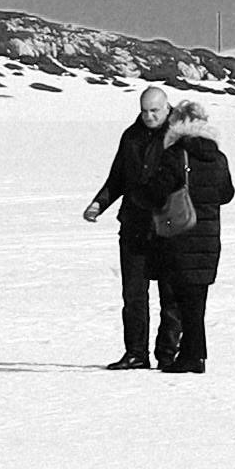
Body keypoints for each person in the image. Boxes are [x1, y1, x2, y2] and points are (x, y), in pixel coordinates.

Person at [81, 85, 183, 367]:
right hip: (134, 224)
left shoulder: (181, 135)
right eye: (144, 111)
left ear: (166, 107)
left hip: (169, 225)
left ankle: (168, 353)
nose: (149, 116)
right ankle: (136, 353)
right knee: (133, 294)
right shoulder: (132, 136)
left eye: (154, 111)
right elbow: (118, 177)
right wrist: (99, 204)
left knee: (171, 294)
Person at [145, 99, 235, 373]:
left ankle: (191, 357)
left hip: (181, 234)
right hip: (209, 236)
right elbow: (227, 194)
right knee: (198, 300)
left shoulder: (175, 154)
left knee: (184, 301)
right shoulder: (218, 156)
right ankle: (195, 355)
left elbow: (156, 193)